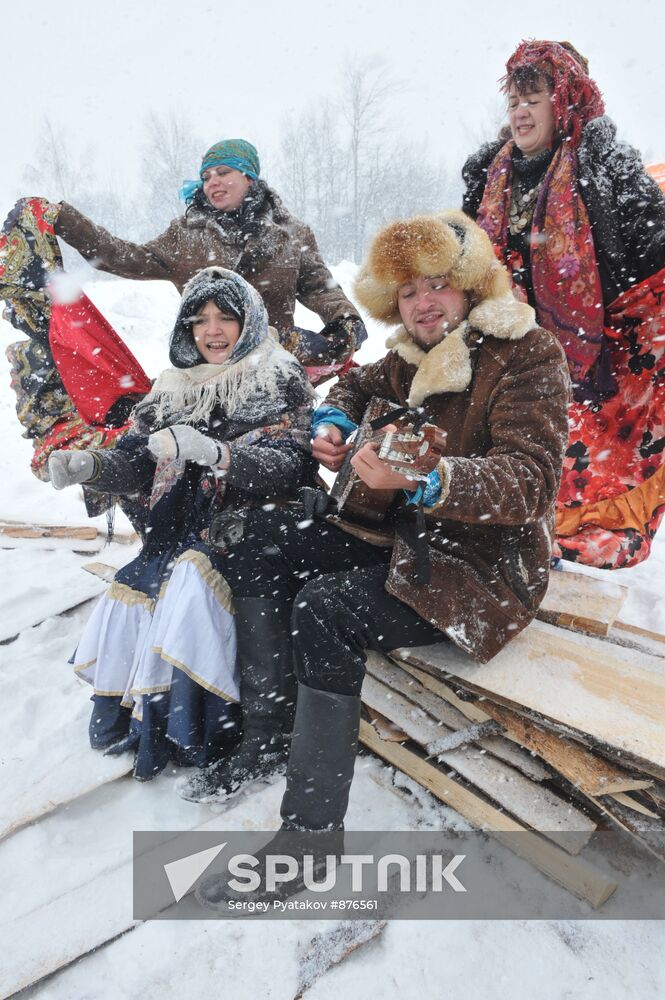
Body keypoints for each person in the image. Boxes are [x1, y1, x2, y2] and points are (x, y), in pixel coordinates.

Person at [184, 210, 570, 911]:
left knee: (324, 608)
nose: (422, 304)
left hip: (479, 567)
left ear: (467, 285)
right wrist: (332, 425)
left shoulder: (525, 353)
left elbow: (531, 482)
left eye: (435, 286)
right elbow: (353, 388)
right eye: (407, 293)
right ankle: (271, 731)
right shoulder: (408, 354)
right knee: (256, 540)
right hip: (395, 535)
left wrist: (430, 480)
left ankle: (309, 838)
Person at [48, 267, 315, 780]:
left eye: (225, 318)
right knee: (134, 584)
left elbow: (289, 462)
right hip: (183, 529)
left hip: (251, 530)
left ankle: (207, 728)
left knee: (190, 578)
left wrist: (218, 453)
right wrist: (93, 466)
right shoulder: (172, 389)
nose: (211, 331)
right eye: (200, 320)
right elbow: (136, 458)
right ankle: (140, 720)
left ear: (250, 323)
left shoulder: (278, 377)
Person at [463, 39, 665, 569]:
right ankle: (513, 525)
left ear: (566, 101)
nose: (521, 111)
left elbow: (652, 247)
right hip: (510, 339)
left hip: (591, 345)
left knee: (573, 453)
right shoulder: (490, 172)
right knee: (510, 438)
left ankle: (567, 534)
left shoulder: (603, 164)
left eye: (535, 97)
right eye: (514, 100)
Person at [51, 138, 366, 372]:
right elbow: (123, 257)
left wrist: (345, 319)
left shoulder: (292, 233)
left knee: (276, 454)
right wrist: (64, 220)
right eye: (206, 176)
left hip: (272, 366)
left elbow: (319, 288)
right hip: (207, 369)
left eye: (223, 172)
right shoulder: (186, 234)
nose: (212, 181)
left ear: (249, 177)